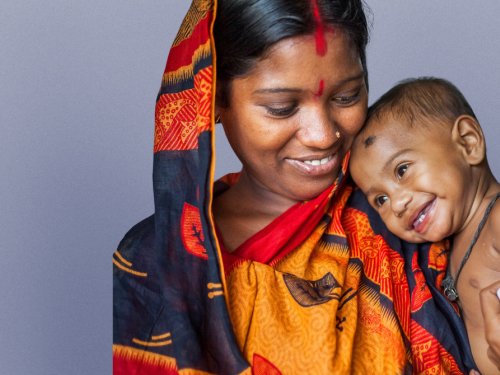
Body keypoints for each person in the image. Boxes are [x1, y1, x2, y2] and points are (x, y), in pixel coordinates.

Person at [113, 1, 475, 374]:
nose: (322, 136)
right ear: (215, 99)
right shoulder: (155, 262)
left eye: (346, 97)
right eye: (282, 107)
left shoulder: (410, 210)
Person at [350, 77, 500, 375]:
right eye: (380, 199)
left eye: (402, 170)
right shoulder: (443, 253)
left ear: (468, 143)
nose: (397, 203)